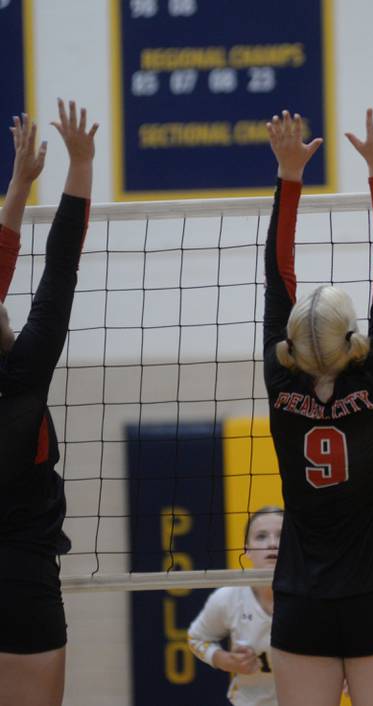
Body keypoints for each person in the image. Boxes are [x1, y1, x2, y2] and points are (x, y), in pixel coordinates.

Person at [262, 108, 373, 706]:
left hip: (301, 598)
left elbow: (278, 275)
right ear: (357, 338)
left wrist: (288, 176)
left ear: (291, 344)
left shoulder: (281, 387)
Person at [0, 100, 98, 706]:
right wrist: (80, 164)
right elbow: (60, 264)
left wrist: (19, 183)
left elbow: (10, 261)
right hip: (24, 577)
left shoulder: (22, 370)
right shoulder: (26, 371)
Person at [188, 507, 284, 706]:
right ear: (246, 549)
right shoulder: (229, 597)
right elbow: (196, 638)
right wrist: (223, 659)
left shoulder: (315, 597)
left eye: (282, 536)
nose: (273, 544)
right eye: (261, 536)